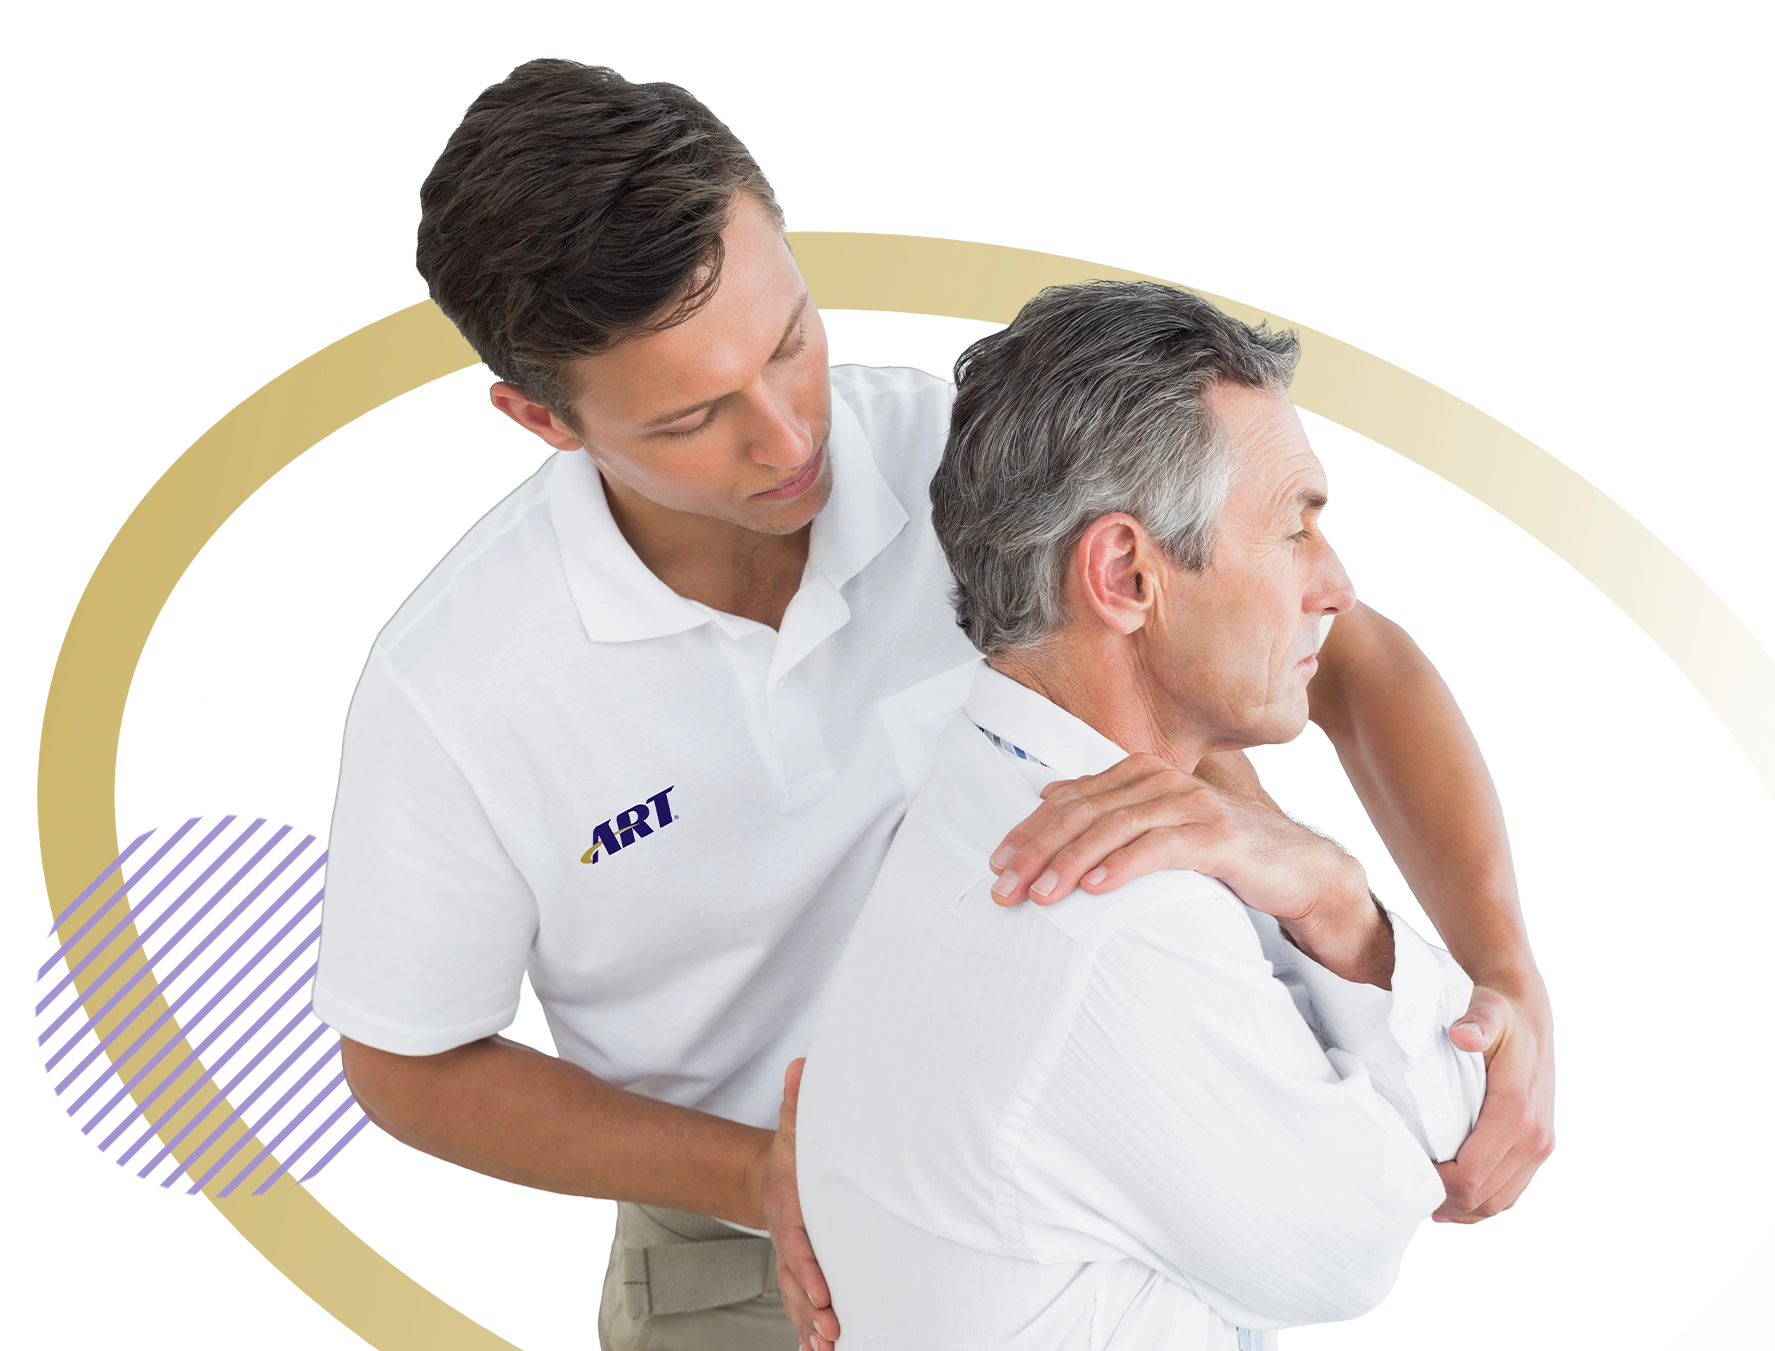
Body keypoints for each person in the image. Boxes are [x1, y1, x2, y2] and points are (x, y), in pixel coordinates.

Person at [311, 58, 1554, 1351]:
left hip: (1103, 1166)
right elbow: (410, 1062)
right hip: (750, 1252)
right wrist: (758, 1172)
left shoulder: (965, 462)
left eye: (788, 343)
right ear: (539, 416)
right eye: (692, 416)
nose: (786, 438)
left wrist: (1502, 979)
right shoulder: (457, 686)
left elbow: (1345, 648)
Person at [797, 281, 1486, 1351]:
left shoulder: (975, 796)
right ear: (1124, 573)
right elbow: (1367, 1238)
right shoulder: (1115, 916)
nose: (1335, 587)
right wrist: (1338, 894)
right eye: (1294, 530)